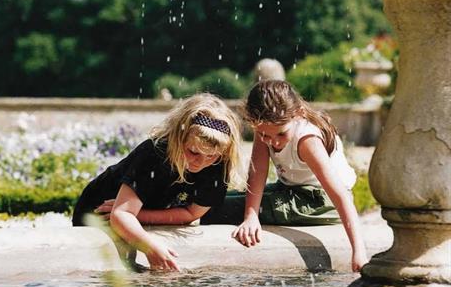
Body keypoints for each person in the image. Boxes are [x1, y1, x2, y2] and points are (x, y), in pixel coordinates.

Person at [203, 80, 368, 272]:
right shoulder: (266, 127)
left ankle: (181, 212)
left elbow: (340, 195)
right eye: (265, 135)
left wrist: (359, 251)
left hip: (320, 201)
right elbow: (258, 172)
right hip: (292, 190)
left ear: (297, 115)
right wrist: (251, 216)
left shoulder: (307, 140)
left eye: (281, 134)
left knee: (217, 209)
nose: (274, 142)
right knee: (215, 199)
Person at [72, 93, 245, 271]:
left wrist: (139, 215)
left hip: (136, 211)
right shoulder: (154, 154)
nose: (201, 162)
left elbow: (191, 213)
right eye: (193, 152)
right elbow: (120, 215)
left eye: (211, 156)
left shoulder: (218, 163)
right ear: (178, 138)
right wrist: (150, 246)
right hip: (98, 211)